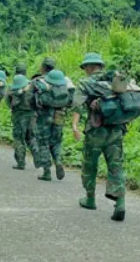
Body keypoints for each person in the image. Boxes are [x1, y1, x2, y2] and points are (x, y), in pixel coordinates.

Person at [72, 52, 127, 221]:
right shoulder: (115, 82)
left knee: (90, 164)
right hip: (116, 130)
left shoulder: (86, 83)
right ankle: (120, 203)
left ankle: (90, 199)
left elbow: (78, 105)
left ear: (88, 67)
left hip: (95, 131)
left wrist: (75, 125)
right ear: (101, 66)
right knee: (115, 165)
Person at [32, 58, 74, 182]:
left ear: (43, 67)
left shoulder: (39, 81)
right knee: (56, 141)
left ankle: (47, 172)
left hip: (44, 115)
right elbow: (71, 100)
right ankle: (58, 161)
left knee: (43, 142)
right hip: (60, 114)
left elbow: (30, 99)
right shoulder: (64, 81)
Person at [6, 73, 41, 171]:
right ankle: (38, 157)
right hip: (32, 115)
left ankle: (21, 162)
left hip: (18, 116)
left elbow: (8, 102)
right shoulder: (32, 87)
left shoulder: (12, 90)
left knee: (18, 138)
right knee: (31, 137)